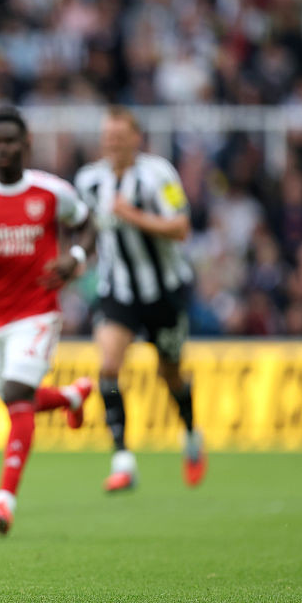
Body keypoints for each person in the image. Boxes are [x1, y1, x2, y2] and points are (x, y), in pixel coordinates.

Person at [0, 105, 93, 534]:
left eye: (10, 141)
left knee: (17, 392)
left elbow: (88, 224)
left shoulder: (51, 191)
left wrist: (75, 257)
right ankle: (71, 396)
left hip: (38, 312)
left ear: (26, 144)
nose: (2, 149)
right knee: (16, 399)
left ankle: (5, 499)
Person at [73, 106, 205, 492]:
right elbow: (86, 228)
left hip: (164, 292)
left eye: (119, 137)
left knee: (170, 373)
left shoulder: (159, 174)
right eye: (107, 138)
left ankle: (191, 433)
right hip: (118, 291)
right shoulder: (89, 180)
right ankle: (123, 459)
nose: (112, 144)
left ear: (136, 138)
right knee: (109, 365)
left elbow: (181, 227)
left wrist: (131, 215)